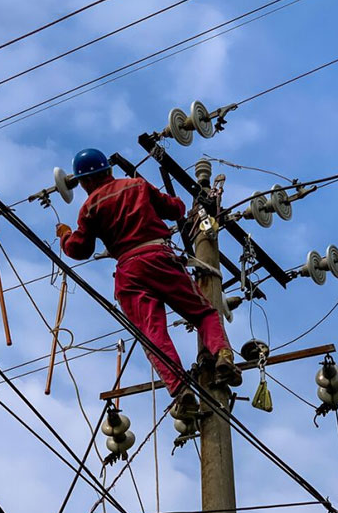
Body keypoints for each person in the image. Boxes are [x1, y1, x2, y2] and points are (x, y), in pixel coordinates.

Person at [56, 148, 242, 420]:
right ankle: (223, 355)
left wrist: (65, 236)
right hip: (159, 257)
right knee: (203, 313)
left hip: (129, 272)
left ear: (84, 183)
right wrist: (171, 202)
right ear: (108, 170)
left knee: (153, 333)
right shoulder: (137, 185)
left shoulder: (90, 207)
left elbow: (79, 250)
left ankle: (181, 391)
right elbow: (174, 208)